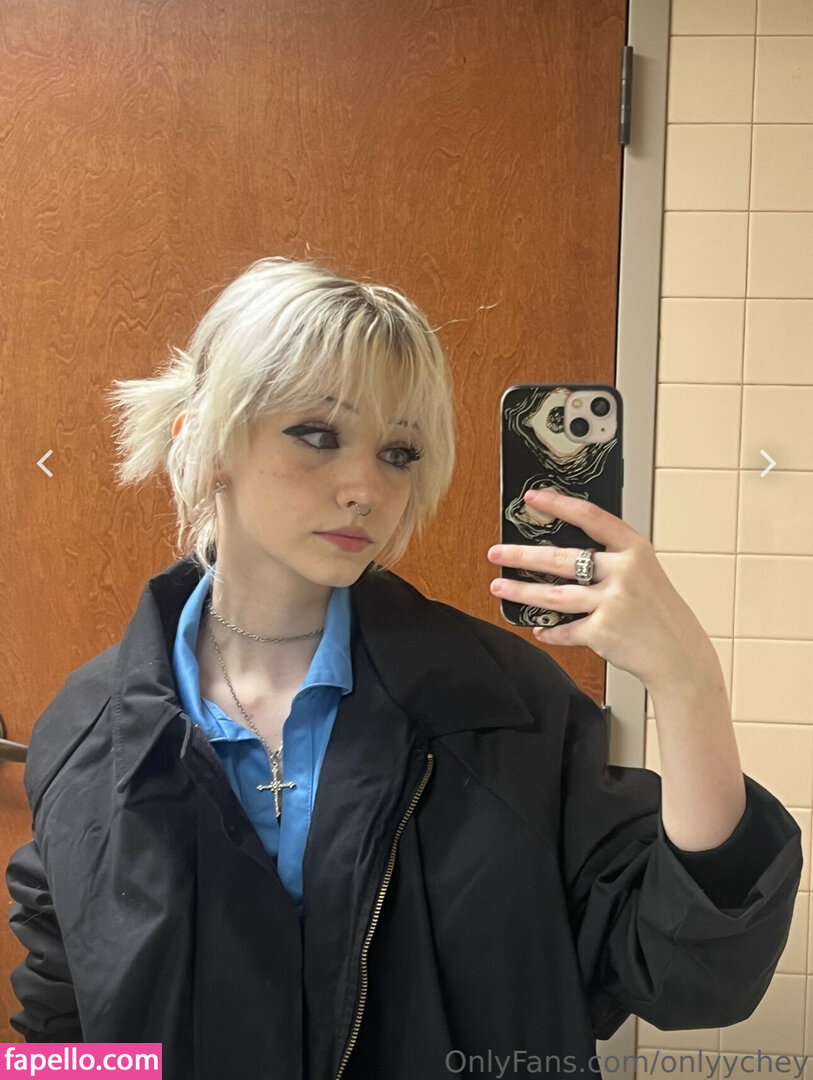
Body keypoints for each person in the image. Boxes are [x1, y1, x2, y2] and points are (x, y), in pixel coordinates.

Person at [6, 257, 803, 1080]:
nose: (364, 486)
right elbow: (66, 1021)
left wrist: (688, 683)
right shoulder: (90, 728)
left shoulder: (502, 707)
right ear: (206, 446)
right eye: (317, 435)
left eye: (398, 451)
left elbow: (690, 976)